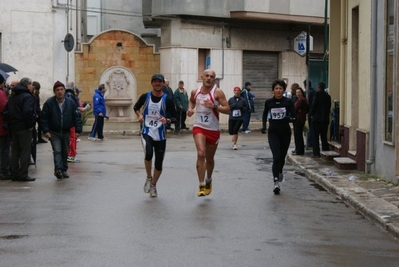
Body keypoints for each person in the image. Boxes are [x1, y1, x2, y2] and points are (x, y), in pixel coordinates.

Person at [187, 69, 230, 197]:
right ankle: (201, 185)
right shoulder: (196, 92)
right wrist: (190, 109)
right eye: (206, 76)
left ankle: (208, 180)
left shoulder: (217, 92)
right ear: (202, 77)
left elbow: (228, 109)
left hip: (213, 129)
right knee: (201, 153)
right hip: (199, 127)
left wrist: (215, 106)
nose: (209, 78)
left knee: (209, 159)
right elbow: (191, 101)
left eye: (211, 77)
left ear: (214, 79)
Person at [133, 74, 176, 197]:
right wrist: (140, 116)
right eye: (155, 81)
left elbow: (174, 118)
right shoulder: (145, 96)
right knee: (148, 154)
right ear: (152, 83)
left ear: (163, 84)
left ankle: (153, 184)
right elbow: (136, 107)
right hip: (147, 131)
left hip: (160, 135)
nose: (157, 84)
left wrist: (167, 121)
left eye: (160, 82)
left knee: (158, 163)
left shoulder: (167, 99)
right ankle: (148, 177)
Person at [41, 81, 82, 179]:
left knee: (64, 151)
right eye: (57, 90)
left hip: (66, 131)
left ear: (64, 90)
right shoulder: (49, 103)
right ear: (54, 92)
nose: (60, 92)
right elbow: (44, 118)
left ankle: (64, 169)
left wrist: (78, 130)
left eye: (61, 89)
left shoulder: (70, 103)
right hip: (54, 132)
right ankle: (58, 170)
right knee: (57, 150)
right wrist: (46, 131)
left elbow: (76, 117)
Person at [261, 79, 295, 194]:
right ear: (273, 90)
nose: (278, 90)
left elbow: (293, 114)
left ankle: (279, 170)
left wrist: (290, 118)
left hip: (285, 133)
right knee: (276, 157)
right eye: (276, 88)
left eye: (280, 88)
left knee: (282, 157)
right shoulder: (269, 102)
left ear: (284, 90)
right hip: (273, 133)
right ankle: (276, 182)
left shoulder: (288, 102)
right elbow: (265, 113)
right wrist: (264, 126)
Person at [8, 78, 36, 182]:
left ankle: (14, 173)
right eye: (31, 84)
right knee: (25, 151)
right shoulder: (28, 97)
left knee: (15, 151)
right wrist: (30, 125)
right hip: (24, 127)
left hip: (14, 126)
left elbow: (9, 110)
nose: (32, 86)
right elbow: (27, 111)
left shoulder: (13, 96)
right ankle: (23, 174)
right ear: (27, 85)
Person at [65, 82, 86, 163]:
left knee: (70, 138)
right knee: (72, 138)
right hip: (71, 121)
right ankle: (71, 155)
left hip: (67, 120)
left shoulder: (66, 95)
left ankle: (69, 154)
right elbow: (73, 108)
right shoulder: (70, 95)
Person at [310, 82, 331, 157]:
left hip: (317, 119)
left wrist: (311, 113)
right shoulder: (328, 96)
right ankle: (325, 150)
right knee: (324, 136)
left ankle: (316, 153)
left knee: (315, 137)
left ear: (318, 87)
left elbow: (314, 104)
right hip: (325, 119)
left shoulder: (317, 94)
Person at [0, 75, 11, 180]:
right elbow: (5, 108)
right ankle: (4, 171)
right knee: (4, 150)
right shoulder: (1, 94)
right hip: (1, 127)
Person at [292, 88, 308, 156]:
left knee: (298, 135)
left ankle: (299, 150)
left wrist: (297, 110)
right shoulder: (297, 100)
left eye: (299, 92)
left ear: (302, 93)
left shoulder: (302, 100)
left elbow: (294, 108)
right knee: (297, 135)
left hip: (300, 119)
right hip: (296, 119)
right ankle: (297, 149)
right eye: (297, 92)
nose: (298, 94)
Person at [304, 79, 315, 149]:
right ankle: (311, 142)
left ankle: (309, 142)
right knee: (312, 128)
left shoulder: (306, 93)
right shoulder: (314, 92)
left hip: (307, 112)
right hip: (313, 113)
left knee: (307, 129)